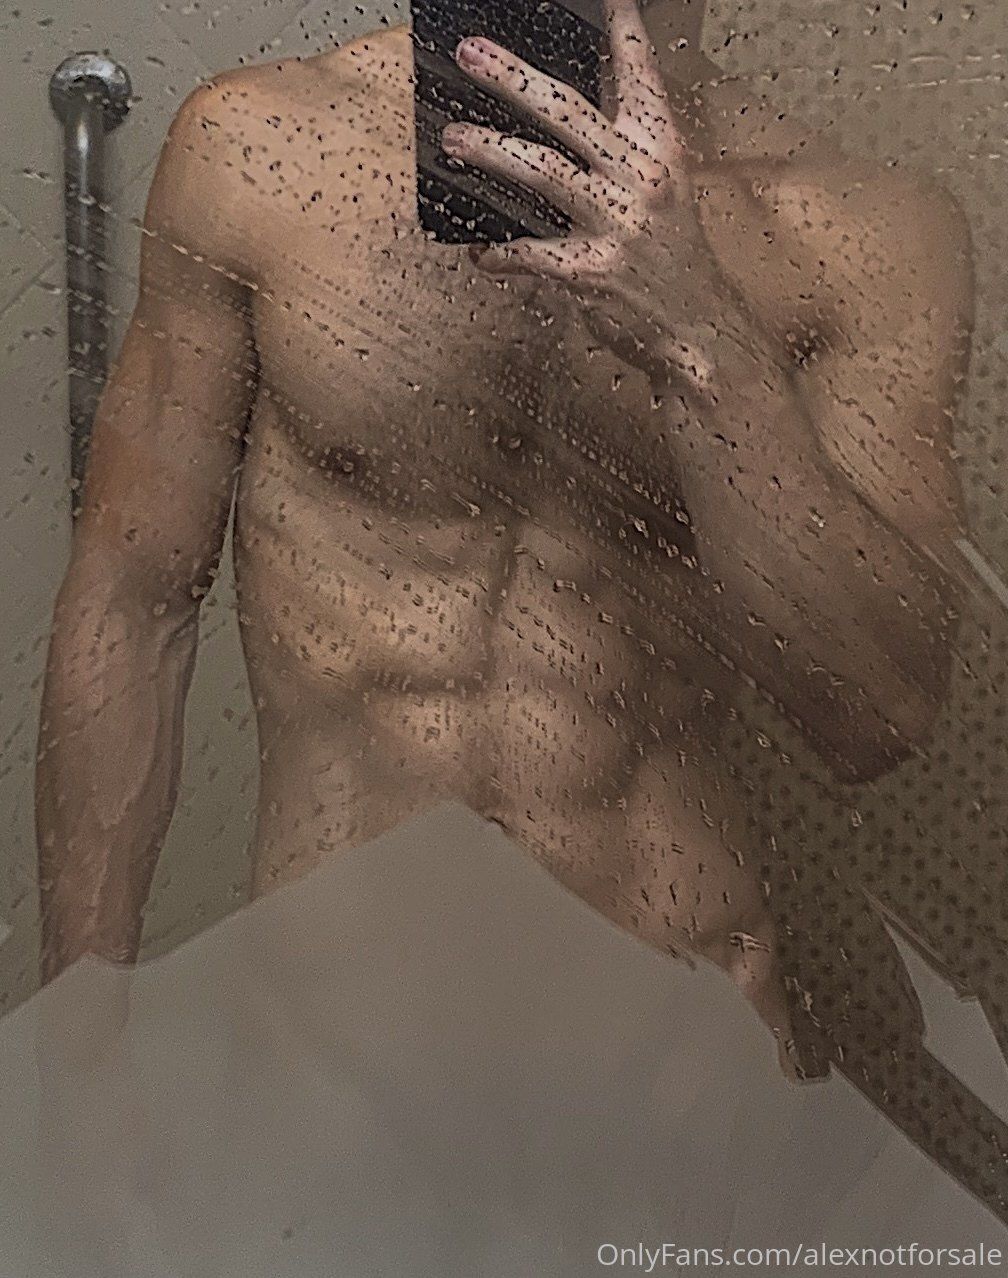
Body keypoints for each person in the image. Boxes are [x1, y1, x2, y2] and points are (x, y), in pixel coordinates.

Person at [35, 0, 972, 1087]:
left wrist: (703, 337)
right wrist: (75, 1047)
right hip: (334, 1042)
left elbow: (877, 714)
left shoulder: (858, 235)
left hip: (673, 1042)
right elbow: (133, 598)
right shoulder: (258, 150)